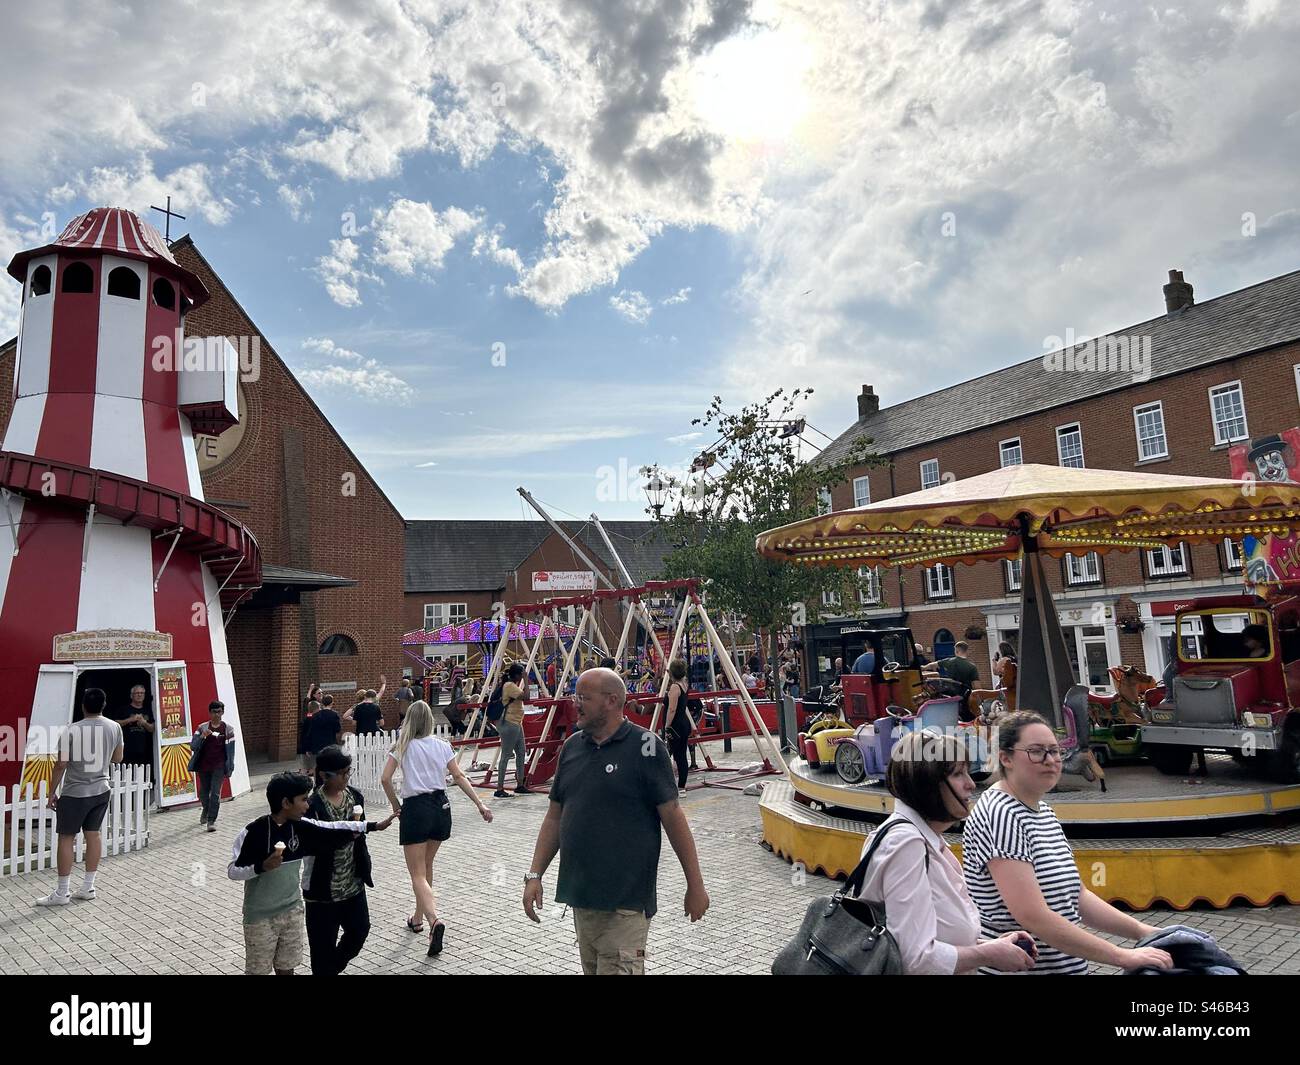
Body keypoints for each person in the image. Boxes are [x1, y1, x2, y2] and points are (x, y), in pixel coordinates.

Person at [523, 668, 709, 975]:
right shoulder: (572, 748)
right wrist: (534, 874)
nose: (576, 704)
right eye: (575, 696)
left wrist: (695, 885)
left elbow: (674, 818)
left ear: (611, 701)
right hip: (582, 900)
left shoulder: (646, 747)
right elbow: (555, 816)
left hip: (625, 905)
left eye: (584, 697)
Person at [962, 712, 1175, 975]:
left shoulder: (1043, 812)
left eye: (1055, 751)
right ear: (1006, 758)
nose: (1050, 760)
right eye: (1036, 752)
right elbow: (1032, 916)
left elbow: (1077, 896)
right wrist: (1122, 956)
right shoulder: (1000, 815)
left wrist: (1145, 931)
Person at [855, 729, 1036, 974]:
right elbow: (915, 957)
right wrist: (989, 953)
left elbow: (933, 940)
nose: (970, 784)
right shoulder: (906, 845)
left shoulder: (922, 839)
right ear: (928, 784)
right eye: (958, 774)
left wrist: (996, 947)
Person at [228, 772, 393, 975]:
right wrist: (261, 866)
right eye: (303, 800)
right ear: (286, 803)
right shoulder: (253, 832)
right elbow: (233, 871)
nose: (308, 805)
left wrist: (371, 826)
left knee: (287, 968)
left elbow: (331, 828)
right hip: (260, 917)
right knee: (258, 971)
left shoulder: (302, 827)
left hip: (292, 911)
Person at [381, 700, 493, 956]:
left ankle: (434, 920)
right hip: (441, 807)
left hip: (416, 808)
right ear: (430, 720)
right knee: (427, 865)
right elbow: (459, 776)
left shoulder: (403, 746)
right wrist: (480, 805)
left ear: (409, 719)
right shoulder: (442, 746)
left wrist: (396, 806)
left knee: (417, 873)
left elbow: (385, 778)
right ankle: (418, 918)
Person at [36, 688, 124, 906]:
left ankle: (62, 892)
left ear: (83, 705)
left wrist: (51, 793)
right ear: (104, 705)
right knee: (93, 835)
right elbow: (118, 758)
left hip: (75, 792)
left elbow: (61, 764)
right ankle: (88, 886)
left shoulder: (71, 730)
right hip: (101, 789)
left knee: (66, 838)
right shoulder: (115, 727)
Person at [304, 746, 375, 976]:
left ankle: (330, 969)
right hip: (323, 889)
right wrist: (345, 836)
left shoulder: (355, 797)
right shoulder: (312, 805)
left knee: (359, 930)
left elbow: (361, 833)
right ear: (324, 775)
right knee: (321, 948)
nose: (346, 777)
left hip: (353, 883)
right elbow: (312, 844)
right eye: (342, 773)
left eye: (348, 771)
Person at [190, 701, 236, 832]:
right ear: (210, 713)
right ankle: (205, 809)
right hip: (204, 764)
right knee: (204, 792)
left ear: (222, 712)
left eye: (219, 712)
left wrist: (230, 767)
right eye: (214, 712)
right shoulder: (202, 728)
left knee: (215, 793)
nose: (216, 714)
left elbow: (231, 751)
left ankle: (211, 821)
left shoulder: (228, 729)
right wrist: (202, 737)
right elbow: (193, 746)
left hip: (219, 765)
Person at [662, 658, 699, 792]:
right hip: (684, 724)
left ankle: (673, 786)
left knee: (671, 754)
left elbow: (672, 709)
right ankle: (682, 785)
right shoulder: (684, 684)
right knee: (681, 754)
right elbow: (680, 676)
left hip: (675, 725)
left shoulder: (674, 687)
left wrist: (667, 726)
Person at [494, 662, 531, 798]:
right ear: (518, 675)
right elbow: (526, 696)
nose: (523, 676)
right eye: (522, 674)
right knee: (506, 755)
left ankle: (520, 784)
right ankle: (499, 788)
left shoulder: (511, 685)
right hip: (509, 723)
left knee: (521, 752)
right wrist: (526, 681)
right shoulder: (509, 686)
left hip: (516, 722)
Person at [108, 682, 155, 770]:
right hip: (125, 749)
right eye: (137, 693)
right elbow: (114, 723)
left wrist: (144, 723)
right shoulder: (123, 709)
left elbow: (152, 728)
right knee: (125, 773)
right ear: (131, 695)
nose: (139, 695)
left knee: (142, 775)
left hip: (143, 750)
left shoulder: (148, 711)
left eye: (142, 693)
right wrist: (130, 720)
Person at [301, 694, 342, 771]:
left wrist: (307, 748)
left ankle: (318, 782)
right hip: (330, 743)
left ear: (322, 703)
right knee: (330, 766)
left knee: (318, 767)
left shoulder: (315, 715)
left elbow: (310, 732)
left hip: (317, 745)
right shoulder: (334, 715)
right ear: (331, 703)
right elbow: (338, 729)